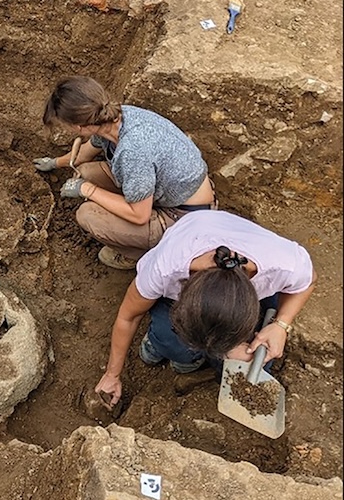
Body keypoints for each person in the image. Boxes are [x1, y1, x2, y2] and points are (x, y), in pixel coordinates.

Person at [93, 210, 317, 408]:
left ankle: (203, 360)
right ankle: (161, 343)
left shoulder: (282, 264)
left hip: (239, 268)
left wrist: (280, 325)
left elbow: (309, 281)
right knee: (175, 346)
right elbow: (128, 317)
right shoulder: (165, 269)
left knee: (258, 363)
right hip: (196, 232)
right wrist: (112, 374)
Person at [34, 76, 217, 270]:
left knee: (87, 215)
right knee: (86, 172)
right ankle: (136, 216)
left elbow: (140, 216)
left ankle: (140, 255)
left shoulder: (132, 152)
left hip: (186, 218)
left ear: (78, 127)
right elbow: (82, 155)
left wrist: (86, 190)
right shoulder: (114, 117)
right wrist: (54, 163)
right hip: (170, 191)